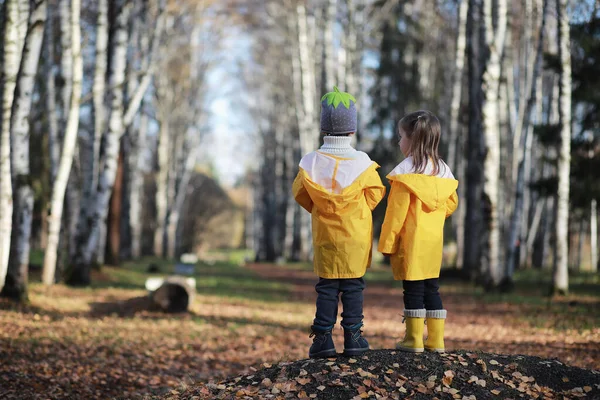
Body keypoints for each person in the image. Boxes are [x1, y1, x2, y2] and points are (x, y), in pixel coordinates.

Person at [293, 87, 386, 358]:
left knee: (327, 287)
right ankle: (354, 338)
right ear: (352, 130)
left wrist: (321, 209)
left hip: (326, 236)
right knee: (354, 286)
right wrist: (355, 210)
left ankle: (322, 340)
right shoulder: (363, 162)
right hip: (354, 236)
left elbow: (300, 193)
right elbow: (375, 193)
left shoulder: (310, 162)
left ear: (323, 128)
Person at [378, 110, 458, 353]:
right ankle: (436, 341)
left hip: (412, 243)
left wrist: (387, 244)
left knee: (412, 290)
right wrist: (434, 216)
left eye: (401, 136)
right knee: (431, 288)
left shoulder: (405, 175)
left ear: (412, 140)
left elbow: (395, 214)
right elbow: (451, 203)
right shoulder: (443, 171)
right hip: (433, 244)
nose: (398, 141)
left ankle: (413, 339)